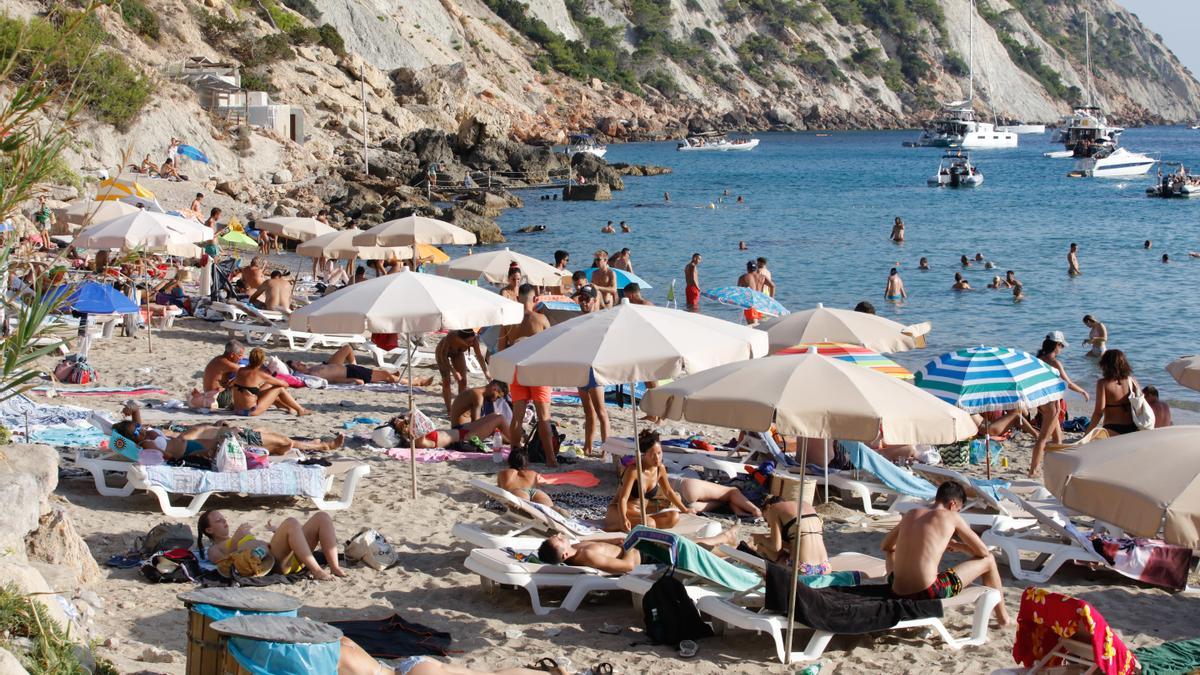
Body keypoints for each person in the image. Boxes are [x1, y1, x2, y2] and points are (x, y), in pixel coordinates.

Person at [881, 482, 1010, 626]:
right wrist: (959, 546)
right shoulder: (951, 517)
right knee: (990, 560)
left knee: (890, 552)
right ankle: (1003, 618)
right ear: (952, 504)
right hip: (928, 592)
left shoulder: (911, 513)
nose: (957, 513)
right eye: (959, 510)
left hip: (895, 588)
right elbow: (983, 552)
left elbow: (886, 546)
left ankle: (1002, 618)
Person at [198, 510, 346, 580]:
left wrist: (279, 533)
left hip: (291, 557)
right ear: (209, 530)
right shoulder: (213, 549)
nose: (225, 522)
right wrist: (236, 540)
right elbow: (226, 565)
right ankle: (317, 570)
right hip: (274, 563)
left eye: (224, 518)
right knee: (291, 523)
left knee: (322, 517)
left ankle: (335, 567)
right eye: (219, 521)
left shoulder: (235, 535)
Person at [499, 284, 555, 464]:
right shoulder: (541, 319)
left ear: (517, 298)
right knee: (543, 417)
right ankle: (550, 459)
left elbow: (501, 351)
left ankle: (516, 455)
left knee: (517, 417)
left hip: (517, 371)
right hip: (537, 371)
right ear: (535, 299)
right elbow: (552, 348)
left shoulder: (508, 322)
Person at [605, 430, 694, 532]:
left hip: (641, 512)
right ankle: (616, 525)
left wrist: (685, 510)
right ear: (644, 454)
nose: (657, 458)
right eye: (652, 454)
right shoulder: (634, 470)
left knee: (673, 517)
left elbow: (668, 492)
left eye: (659, 453)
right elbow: (623, 499)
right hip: (619, 511)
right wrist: (623, 519)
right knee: (650, 523)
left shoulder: (660, 469)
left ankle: (643, 525)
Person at [1029, 333, 1089, 475]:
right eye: (1061, 345)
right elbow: (1068, 383)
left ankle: (1058, 467)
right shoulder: (1055, 363)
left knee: (1058, 439)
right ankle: (1033, 470)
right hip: (1052, 405)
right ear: (1056, 345)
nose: (1062, 348)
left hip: (1041, 401)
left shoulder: (1037, 360)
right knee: (1043, 439)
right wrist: (1083, 392)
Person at [572, 285, 609, 453]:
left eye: (587, 299)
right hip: (581, 369)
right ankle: (587, 447)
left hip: (594, 370)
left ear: (594, 301)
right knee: (588, 412)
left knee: (601, 412)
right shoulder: (577, 320)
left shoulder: (600, 319)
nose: (583, 302)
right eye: (581, 299)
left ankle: (605, 450)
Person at [747, 497, 826, 573]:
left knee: (762, 545)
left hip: (803, 570)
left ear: (768, 507)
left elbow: (776, 547)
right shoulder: (806, 504)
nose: (768, 525)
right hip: (824, 567)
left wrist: (759, 537)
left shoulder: (773, 508)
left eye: (766, 519)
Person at [287, 345, 431, 386]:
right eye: (297, 364)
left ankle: (392, 376)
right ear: (296, 370)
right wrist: (352, 380)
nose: (300, 362)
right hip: (351, 374)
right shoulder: (312, 375)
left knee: (347, 348)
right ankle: (417, 382)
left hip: (347, 368)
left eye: (298, 361)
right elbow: (333, 380)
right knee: (386, 375)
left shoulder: (311, 367)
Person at [231, 348, 310, 416]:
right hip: (250, 411)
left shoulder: (240, 370)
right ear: (262, 361)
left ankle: (287, 407)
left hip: (237, 409)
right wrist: (274, 379)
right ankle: (300, 410)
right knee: (280, 389)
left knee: (268, 386)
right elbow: (285, 384)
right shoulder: (260, 374)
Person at [1084, 349, 1143, 437]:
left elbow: (1099, 412)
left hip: (1112, 429)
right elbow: (1141, 404)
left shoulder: (1103, 383)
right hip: (1133, 427)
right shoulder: (1132, 381)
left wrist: (1087, 433)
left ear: (1105, 365)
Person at [385, 412, 513, 450]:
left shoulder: (415, 431)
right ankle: (518, 443)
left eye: (402, 418)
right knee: (499, 419)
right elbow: (416, 420)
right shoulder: (418, 441)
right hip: (466, 439)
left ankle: (512, 440)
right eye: (403, 422)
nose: (404, 419)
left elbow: (413, 415)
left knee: (495, 415)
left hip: (461, 430)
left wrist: (405, 418)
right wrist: (409, 419)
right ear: (403, 431)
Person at [435, 329, 490, 412]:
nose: (471, 344)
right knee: (446, 381)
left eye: (472, 341)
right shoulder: (451, 337)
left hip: (458, 353)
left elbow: (479, 356)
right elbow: (443, 356)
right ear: (460, 339)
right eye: (468, 342)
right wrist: (453, 371)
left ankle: (459, 407)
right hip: (442, 353)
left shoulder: (474, 340)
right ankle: (449, 410)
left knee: (463, 381)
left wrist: (486, 372)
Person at [673, 476, 761, 519]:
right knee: (732, 491)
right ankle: (755, 510)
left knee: (727, 497)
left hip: (676, 499)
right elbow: (732, 493)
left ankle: (734, 507)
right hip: (686, 490)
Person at [737, 260, 774, 324]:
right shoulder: (762, 277)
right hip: (760, 303)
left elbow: (738, 291)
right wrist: (771, 299)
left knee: (752, 324)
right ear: (756, 268)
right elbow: (772, 286)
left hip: (750, 303)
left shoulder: (743, 277)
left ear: (747, 268)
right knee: (759, 323)